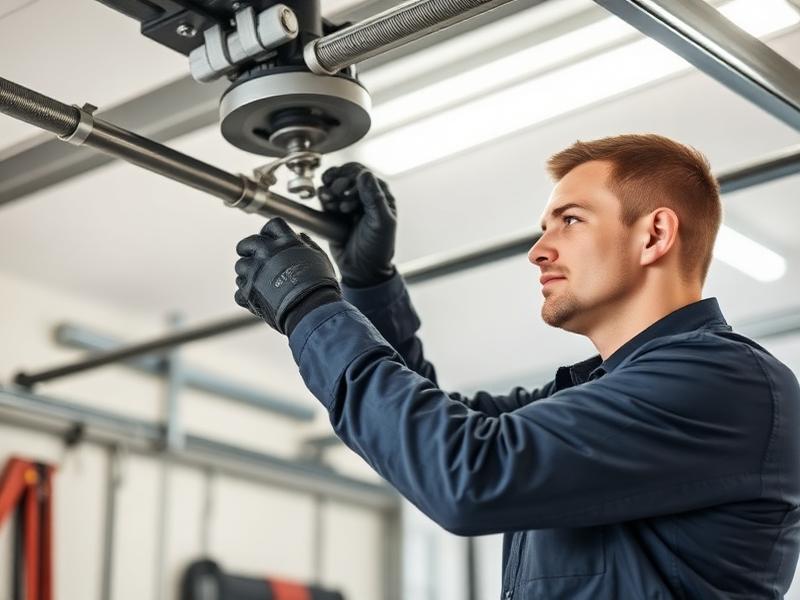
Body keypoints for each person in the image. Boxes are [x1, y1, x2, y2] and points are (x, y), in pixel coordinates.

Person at [233, 134, 800, 598]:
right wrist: (367, 283)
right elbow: (436, 433)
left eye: (570, 220)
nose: (539, 250)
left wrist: (310, 309)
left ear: (654, 234)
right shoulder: (609, 393)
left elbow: (466, 473)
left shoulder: (728, 383)